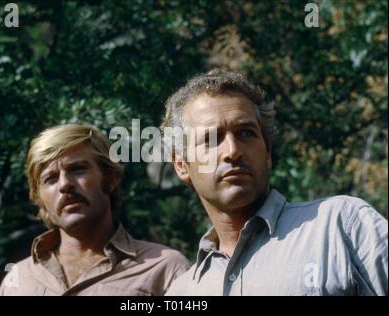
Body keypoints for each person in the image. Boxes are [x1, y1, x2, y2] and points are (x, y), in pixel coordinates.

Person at [162, 68, 388, 296]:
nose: (232, 151)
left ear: (268, 153)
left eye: (246, 133)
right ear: (181, 164)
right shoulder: (182, 292)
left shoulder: (341, 227)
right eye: (211, 139)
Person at [0, 124, 190, 296]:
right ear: (39, 198)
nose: (65, 184)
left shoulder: (165, 269)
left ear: (110, 179)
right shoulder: (18, 280)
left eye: (78, 169)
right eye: (51, 178)